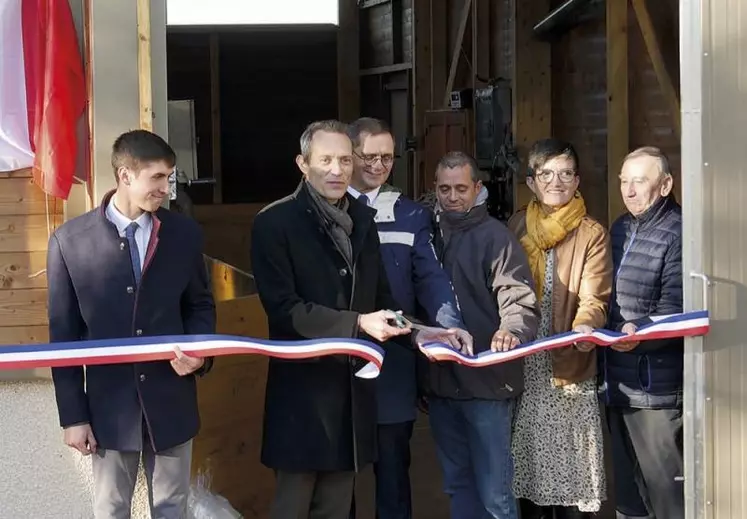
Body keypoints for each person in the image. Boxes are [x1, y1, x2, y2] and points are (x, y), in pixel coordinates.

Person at [250, 120, 471, 519]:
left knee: (337, 508)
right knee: (294, 507)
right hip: (303, 397)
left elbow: (383, 301)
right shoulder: (274, 222)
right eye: (326, 160)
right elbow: (285, 311)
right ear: (303, 163)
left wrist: (422, 333)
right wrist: (358, 324)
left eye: (344, 160)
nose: (337, 170)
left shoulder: (363, 221)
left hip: (353, 398)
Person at [47, 129, 216, 518]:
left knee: (173, 508)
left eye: (169, 178)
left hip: (172, 400)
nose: (166, 189)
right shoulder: (69, 241)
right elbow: (63, 335)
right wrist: (73, 416)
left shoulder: (184, 233)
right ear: (125, 175)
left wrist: (199, 354)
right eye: (157, 178)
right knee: (111, 510)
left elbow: (200, 305)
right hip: (109, 407)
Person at [345, 117, 463, 519]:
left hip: (392, 366)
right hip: (336, 363)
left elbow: (431, 279)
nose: (378, 166)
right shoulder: (325, 210)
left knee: (393, 471)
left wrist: (449, 324)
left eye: (387, 157)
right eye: (369, 156)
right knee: (336, 479)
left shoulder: (412, 216)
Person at [423, 151, 539, 519]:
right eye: (444, 189)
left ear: (478, 188)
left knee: (496, 496)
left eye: (460, 188)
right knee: (458, 486)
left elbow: (517, 296)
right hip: (441, 385)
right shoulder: (427, 235)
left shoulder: (496, 238)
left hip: (488, 386)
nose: (452, 196)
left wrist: (511, 329)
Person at [507, 139, 611, 519]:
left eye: (566, 173)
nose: (557, 181)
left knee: (571, 477)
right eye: (546, 174)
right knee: (528, 472)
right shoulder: (517, 224)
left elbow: (595, 297)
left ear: (577, 180)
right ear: (532, 182)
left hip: (568, 365)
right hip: (524, 366)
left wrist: (584, 329)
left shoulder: (591, 233)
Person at [601, 146, 684, 519]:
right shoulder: (619, 228)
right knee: (629, 500)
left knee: (667, 498)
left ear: (665, 185)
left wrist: (642, 330)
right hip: (618, 385)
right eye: (624, 181)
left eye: (640, 181)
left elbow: (676, 305)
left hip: (656, 390)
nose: (629, 190)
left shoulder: (681, 233)